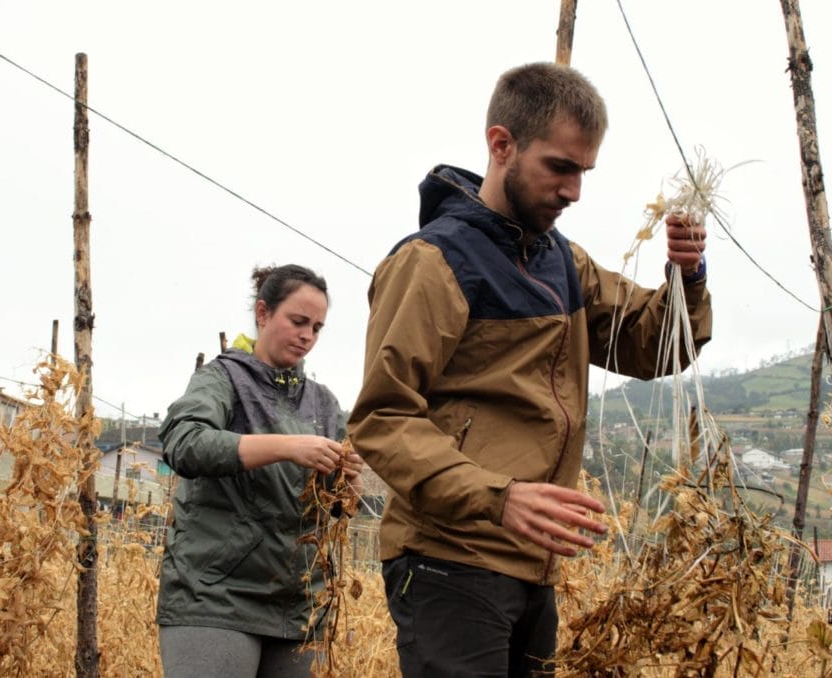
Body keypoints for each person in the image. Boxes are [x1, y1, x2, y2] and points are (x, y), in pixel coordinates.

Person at [347, 62, 712, 677]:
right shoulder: (433, 262)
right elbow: (382, 418)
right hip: (450, 557)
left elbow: (653, 344)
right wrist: (500, 496)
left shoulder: (562, 262)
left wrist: (687, 274)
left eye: (584, 172)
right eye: (560, 167)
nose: (574, 191)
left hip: (530, 564)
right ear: (501, 145)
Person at [156, 264, 364, 678]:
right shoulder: (222, 380)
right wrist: (288, 447)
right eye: (298, 321)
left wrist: (349, 482)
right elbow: (184, 443)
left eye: (317, 328)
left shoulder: (323, 404)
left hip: (299, 605)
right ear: (264, 314)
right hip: (214, 597)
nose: (307, 336)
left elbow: (336, 510)